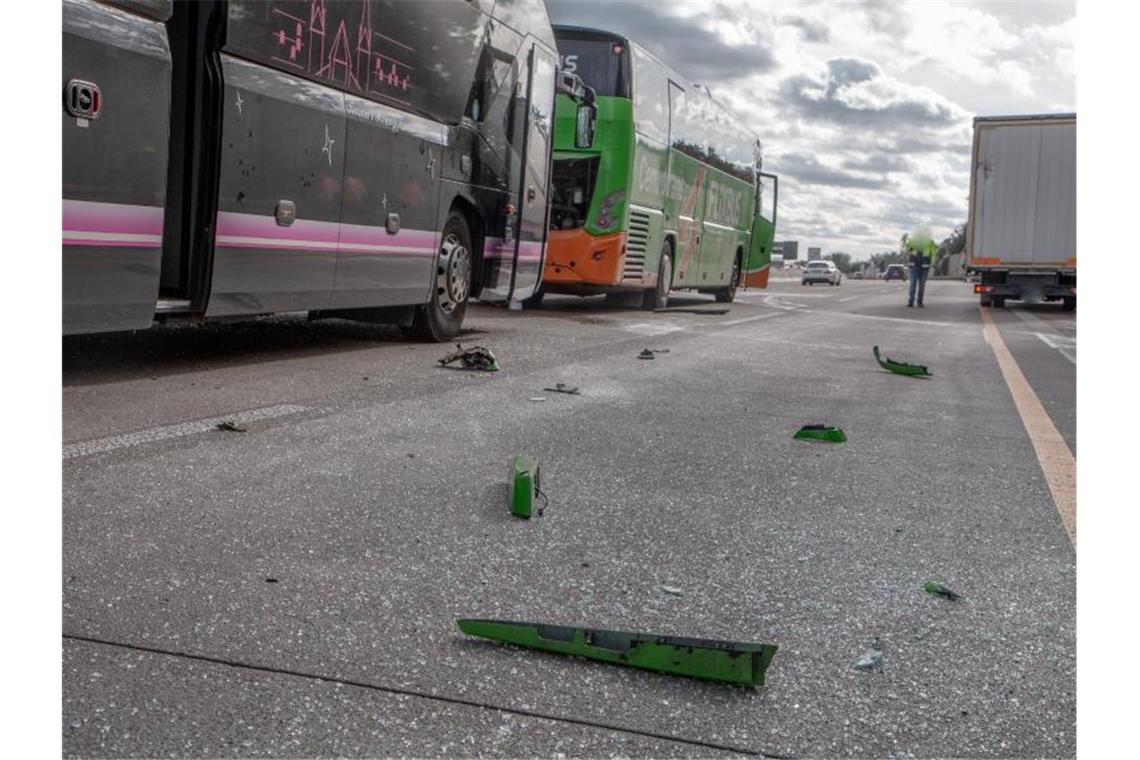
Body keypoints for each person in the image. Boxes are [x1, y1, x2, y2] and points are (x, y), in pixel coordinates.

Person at [905, 229, 938, 308]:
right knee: (913, 284)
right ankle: (911, 302)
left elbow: (933, 253)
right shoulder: (913, 241)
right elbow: (908, 248)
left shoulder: (930, 242)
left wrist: (932, 264)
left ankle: (919, 302)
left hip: (924, 267)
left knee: (922, 285)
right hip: (914, 266)